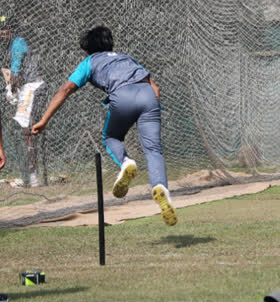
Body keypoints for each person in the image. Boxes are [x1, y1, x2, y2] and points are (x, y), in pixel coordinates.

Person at [30, 26, 177, 226]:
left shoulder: (89, 62)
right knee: (153, 150)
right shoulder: (127, 58)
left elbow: (66, 89)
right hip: (148, 96)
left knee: (111, 138)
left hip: (122, 96)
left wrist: (44, 120)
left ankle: (125, 163)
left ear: (88, 48)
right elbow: (155, 86)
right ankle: (162, 189)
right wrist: (151, 112)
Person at [1, 14, 44, 187]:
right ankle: (30, 173)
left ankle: (33, 175)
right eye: (1, 29)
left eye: (6, 29)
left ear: (12, 30)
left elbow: (16, 72)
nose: (3, 32)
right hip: (27, 87)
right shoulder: (9, 45)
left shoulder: (17, 43)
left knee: (27, 129)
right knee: (26, 130)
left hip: (32, 86)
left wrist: (11, 90)